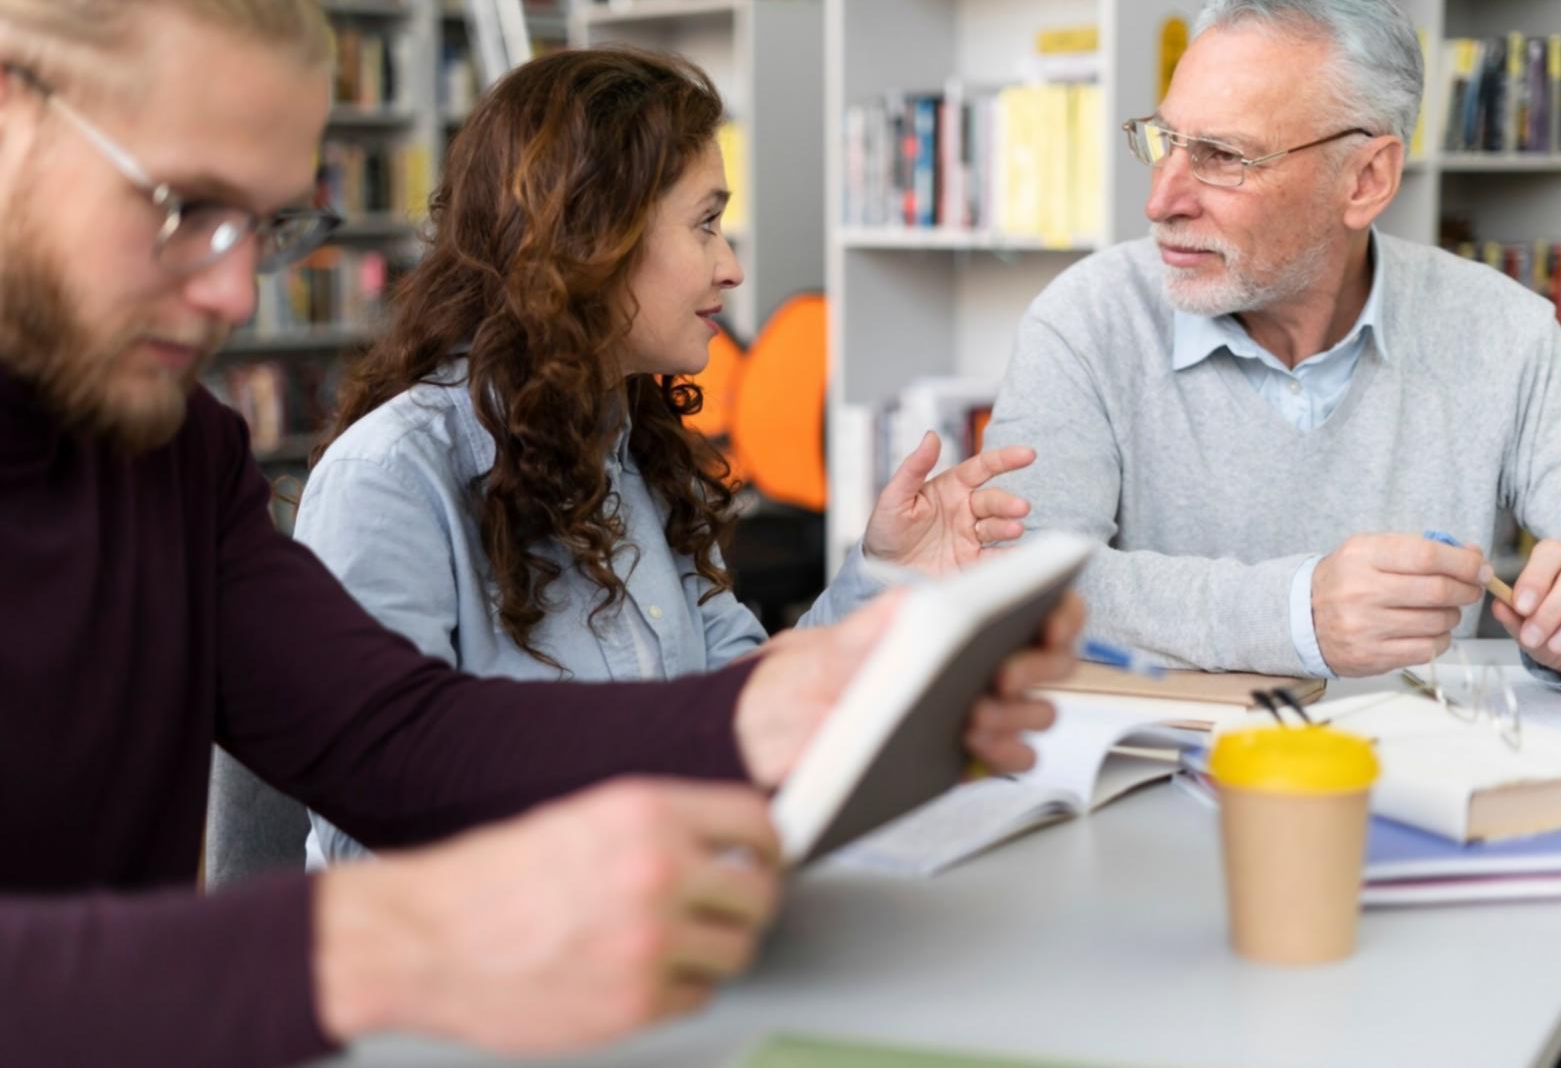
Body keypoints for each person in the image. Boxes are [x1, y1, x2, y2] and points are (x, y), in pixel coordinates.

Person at [0, 2, 1083, 1066]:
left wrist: (782, 705)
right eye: (186, 205)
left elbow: (391, 738)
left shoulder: (176, 453)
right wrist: (389, 939)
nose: (235, 292)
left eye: (267, 227)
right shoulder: (386, 469)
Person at [293, 47, 1041, 866]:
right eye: (705, 224)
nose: (731, 267)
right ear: (592, 236)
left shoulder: (629, 447)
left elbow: (743, 705)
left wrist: (888, 574)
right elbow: (370, 841)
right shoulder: (389, 479)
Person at [985, 0, 1561, 691]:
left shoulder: (1506, 332)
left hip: (1418, 753)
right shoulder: (1086, 317)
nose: (1161, 201)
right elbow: (1023, 586)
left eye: (1222, 156)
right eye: (1165, 140)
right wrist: (1295, 615)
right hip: (1158, 757)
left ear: (1366, 180)